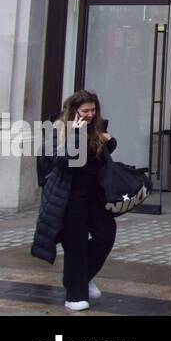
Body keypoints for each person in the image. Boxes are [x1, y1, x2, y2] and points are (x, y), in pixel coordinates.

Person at [31, 91, 118, 311]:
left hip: (95, 195)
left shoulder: (97, 127)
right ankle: (75, 293)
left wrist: (109, 142)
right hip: (68, 196)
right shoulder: (57, 130)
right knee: (75, 244)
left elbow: (100, 158)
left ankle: (84, 277)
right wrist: (76, 135)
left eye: (93, 110)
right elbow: (61, 161)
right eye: (85, 111)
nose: (90, 114)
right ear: (73, 111)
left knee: (105, 235)